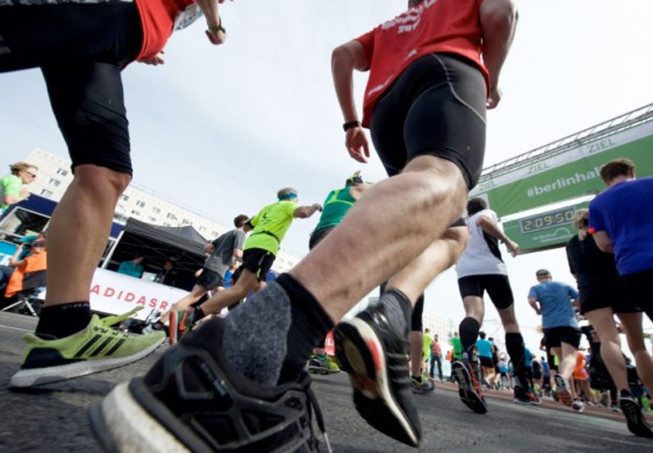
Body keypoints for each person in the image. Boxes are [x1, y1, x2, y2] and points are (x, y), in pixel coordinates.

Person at [91, 0, 519, 449]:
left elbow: (342, 55)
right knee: (445, 180)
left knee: (450, 229)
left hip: (386, 111)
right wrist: (493, 73)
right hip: (449, 75)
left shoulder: (396, 23)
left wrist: (351, 122)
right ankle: (246, 358)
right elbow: (500, 13)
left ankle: (391, 312)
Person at [4, 0, 231, 389]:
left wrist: (146, 46)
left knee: (106, 173)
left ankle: (62, 333)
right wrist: (216, 25)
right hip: (106, 14)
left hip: (113, 41)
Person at [589, 158, 653, 431]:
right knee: (641, 343)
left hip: (636, 269)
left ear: (606, 180)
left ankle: (627, 392)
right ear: (632, 172)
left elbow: (604, 244)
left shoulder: (599, 204)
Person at [567, 208, 653, 436]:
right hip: (622, 284)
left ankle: (624, 391)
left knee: (608, 339)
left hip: (591, 291)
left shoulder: (572, 243)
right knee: (638, 346)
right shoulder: (607, 233)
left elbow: (575, 273)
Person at [175, 188, 322, 324]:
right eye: (296, 200)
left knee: (259, 285)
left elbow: (246, 227)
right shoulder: (287, 205)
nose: (296, 202)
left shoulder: (267, 208)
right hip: (265, 246)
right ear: (292, 198)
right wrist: (314, 206)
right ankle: (196, 314)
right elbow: (303, 212)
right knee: (241, 289)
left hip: (252, 244)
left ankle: (265, 318)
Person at [453, 196, 536, 410]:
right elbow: (484, 222)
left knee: (473, 314)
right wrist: (508, 241)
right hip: (492, 268)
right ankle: (522, 386)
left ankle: (468, 363)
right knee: (510, 323)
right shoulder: (484, 214)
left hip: (465, 271)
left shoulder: (461, 223)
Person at [308, 172, 369, 375]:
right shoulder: (358, 190)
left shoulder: (333, 193)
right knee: (332, 296)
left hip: (318, 235)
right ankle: (316, 353)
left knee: (319, 293)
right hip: (335, 234)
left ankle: (317, 352)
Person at [165, 214, 249, 343]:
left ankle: (196, 319)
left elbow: (208, 248)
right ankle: (162, 320)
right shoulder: (241, 233)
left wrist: (220, 255)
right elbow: (238, 253)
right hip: (216, 269)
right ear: (245, 224)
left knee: (223, 294)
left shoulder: (229, 233)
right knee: (193, 297)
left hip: (216, 269)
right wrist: (250, 259)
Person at [528, 269, 584, 412]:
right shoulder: (564, 286)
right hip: (568, 323)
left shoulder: (536, 288)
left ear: (538, 278)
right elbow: (580, 299)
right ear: (550, 276)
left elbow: (531, 300)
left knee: (561, 360)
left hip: (550, 326)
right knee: (569, 358)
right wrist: (573, 307)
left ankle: (572, 396)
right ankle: (565, 382)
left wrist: (537, 310)